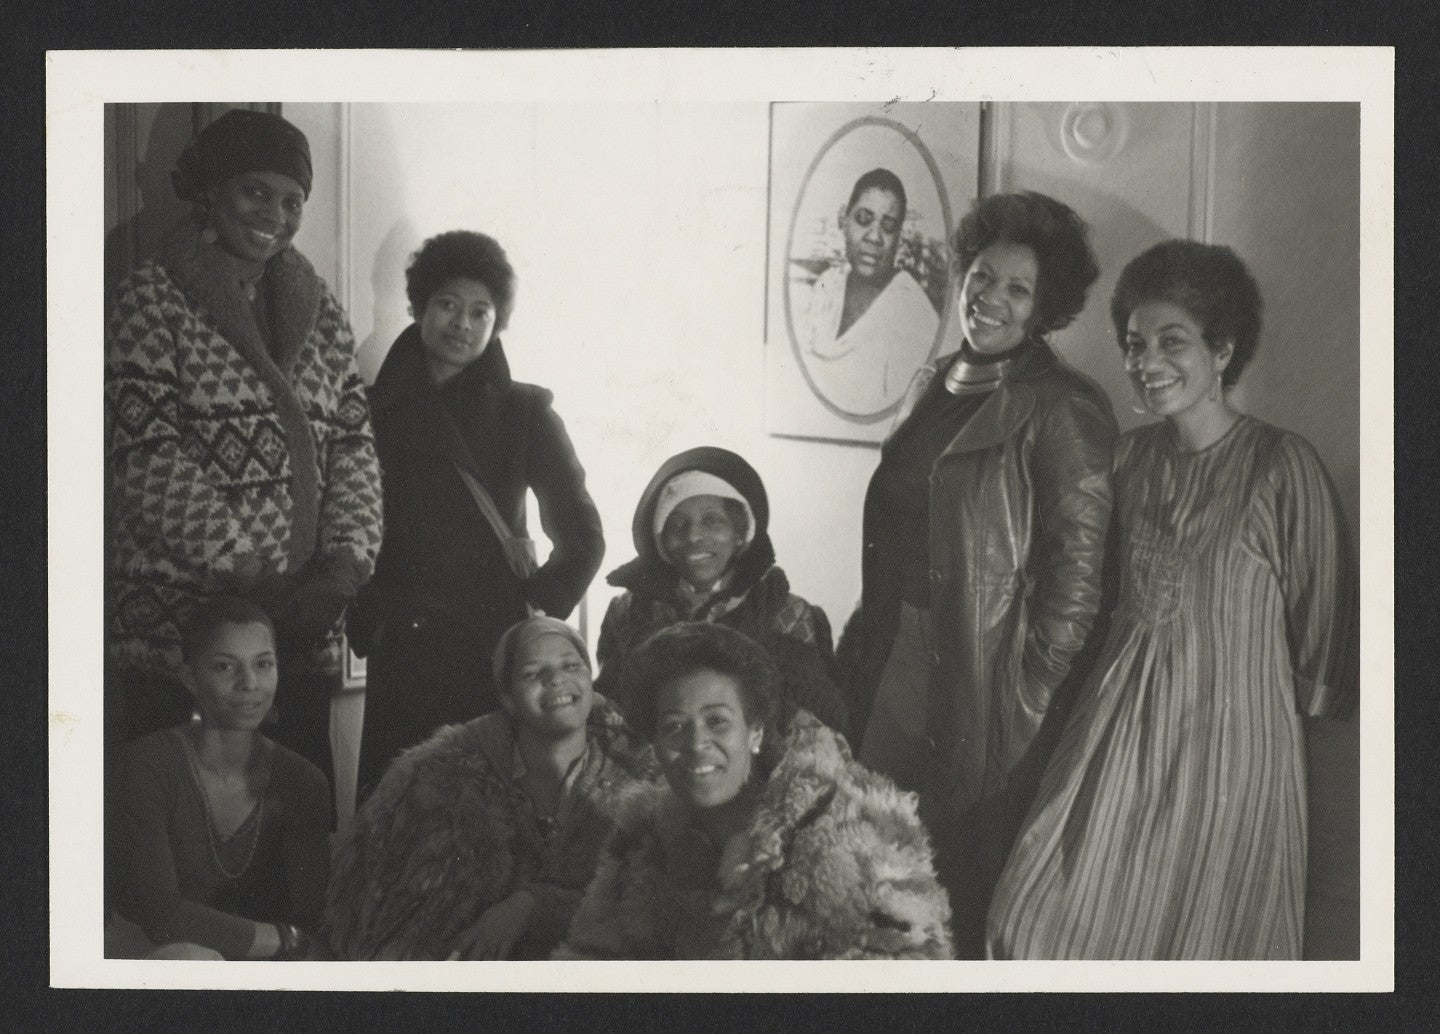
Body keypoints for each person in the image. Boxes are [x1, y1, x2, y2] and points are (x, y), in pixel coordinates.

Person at [987, 241, 1358, 960]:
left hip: (1231, 758)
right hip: (1114, 735)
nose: (1145, 361)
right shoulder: (1128, 458)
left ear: (1222, 349)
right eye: (1133, 344)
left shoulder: (1283, 466)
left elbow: (1326, 644)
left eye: (1172, 341)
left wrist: (1277, 793)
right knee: (1027, 922)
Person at [835, 190, 1116, 956]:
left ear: (1045, 309)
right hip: (893, 651)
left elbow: (1078, 584)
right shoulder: (934, 380)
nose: (989, 299)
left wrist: (1025, 689)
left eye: (1016, 290)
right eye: (983, 277)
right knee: (870, 863)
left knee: (955, 879)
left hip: (983, 675)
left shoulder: (1064, 408)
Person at [104, 109, 383, 787]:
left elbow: (354, 447)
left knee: (294, 826)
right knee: (184, 828)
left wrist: (343, 569)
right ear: (211, 191)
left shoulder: (320, 312)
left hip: (297, 636)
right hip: (182, 634)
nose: (276, 215)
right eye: (255, 192)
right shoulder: (153, 298)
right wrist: (254, 574)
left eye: (293, 201)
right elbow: (144, 457)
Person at [351, 231, 605, 803]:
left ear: (497, 322)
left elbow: (583, 536)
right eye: (447, 305)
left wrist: (536, 609)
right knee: (393, 813)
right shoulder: (372, 411)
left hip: (486, 650)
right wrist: (366, 609)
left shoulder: (524, 415)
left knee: (482, 816)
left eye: (480, 311)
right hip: (402, 645)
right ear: (418, 307)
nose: (462, 324)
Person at [557, 622, 952, 960]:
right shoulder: (642, 840)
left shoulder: (846, 835)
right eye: (674, 727)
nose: (696, 744)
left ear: (756, 732)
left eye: (717, 721)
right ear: (655, 745)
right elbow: (590, 964)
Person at [326, 616, 657, 960]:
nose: (556, 679)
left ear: (591, 681)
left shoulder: (641, 778)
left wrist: (533, 905)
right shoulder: (439, 779)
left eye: (571, 666)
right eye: (532, 673)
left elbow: (647, 906)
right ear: (509, 698)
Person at [106, 597, 330, 960]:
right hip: (154, 959)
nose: (249, 683)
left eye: (264, 664)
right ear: (190, 678)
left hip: (261, 964)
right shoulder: (145, 765)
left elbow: (310, 916)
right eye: (225, 667)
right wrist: (286, 940)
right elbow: (161, 915)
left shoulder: (303, 781)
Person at [595, 446, 848, 735]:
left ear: (740, 533)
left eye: (712, 521)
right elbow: (612, 711)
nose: (693, 536)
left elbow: (816, 724)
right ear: (661, 542)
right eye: (677, 525)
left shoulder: (787, 613)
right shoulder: (628, 612)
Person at [799, 168, 940, 415]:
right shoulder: (828, 286)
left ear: (899, 236)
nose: (875, 237)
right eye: (864, 219)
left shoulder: (913, 313)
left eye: (888, 226)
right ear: (844, 218)